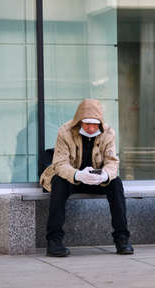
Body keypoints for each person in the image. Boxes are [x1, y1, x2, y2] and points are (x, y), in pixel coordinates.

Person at [40, 98, 133, 257]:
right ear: (79, 122)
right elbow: (60, 163)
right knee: (58, 182)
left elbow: (112, 162)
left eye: (95, 124)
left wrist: (104, 175)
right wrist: (77, 174)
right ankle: (54, 240)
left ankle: (122, 239)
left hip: (96, 179)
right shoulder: (64, 131)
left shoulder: (108, 133)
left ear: (100, 123)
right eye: (87, 124)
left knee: (116, 184)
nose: (91, 128)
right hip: (71, 177)